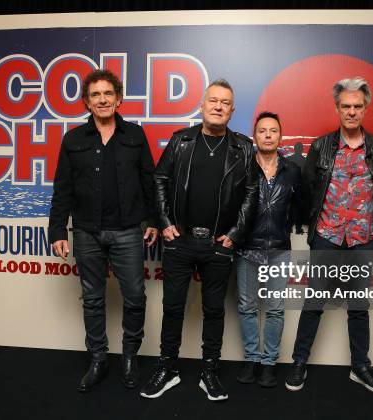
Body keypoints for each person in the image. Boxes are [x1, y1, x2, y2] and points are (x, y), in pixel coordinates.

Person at [139, 79, 258, 401]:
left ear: (232, 111)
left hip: (219, 245)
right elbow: (159, 179)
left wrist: (234, 234)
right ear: (202, 105)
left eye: (225, 103)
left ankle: (210, 371)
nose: (218, 106)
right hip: (180, 243)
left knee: (215, 310)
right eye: (213, 101)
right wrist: (164, 223)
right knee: (173, 307)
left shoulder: (244, 148)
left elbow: (251, 193)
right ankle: (167, 368)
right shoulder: (181, 141)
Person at [48, 69, 158, 392]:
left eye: (108, 94)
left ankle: (128, 355)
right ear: (87, 102)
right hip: (86, 233)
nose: (103, 99)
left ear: (119, 99)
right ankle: (98, 357)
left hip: (127, 232)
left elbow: (149, 182)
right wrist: (57, 230)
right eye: (95, 95)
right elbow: (62, 189)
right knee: (93, 300)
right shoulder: (73, 140)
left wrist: (151, 220)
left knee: (135, 297)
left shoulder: (135, 136)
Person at [286, 77, 373, 395]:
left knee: (358, 306)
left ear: (365, 108)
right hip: (327, 236)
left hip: (362, 237)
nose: (351, 112)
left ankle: (361, 367)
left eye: (357, 106)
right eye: (346, 106)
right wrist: (312, 232)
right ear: (337, 108)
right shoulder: (322, 146)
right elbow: (307, 192)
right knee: (314, 302)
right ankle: (299, 362)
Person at [235, 112, 302, 388]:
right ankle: (251, 359)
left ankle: (269, 363)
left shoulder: (292, 171)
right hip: (246, 247)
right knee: (247, 307)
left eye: (273, 131)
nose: (268, 135)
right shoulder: (242, 167)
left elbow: (300, 208)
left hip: (279, 248)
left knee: (274, 309)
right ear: (255, 136)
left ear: (280, 136)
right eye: (262, 131)